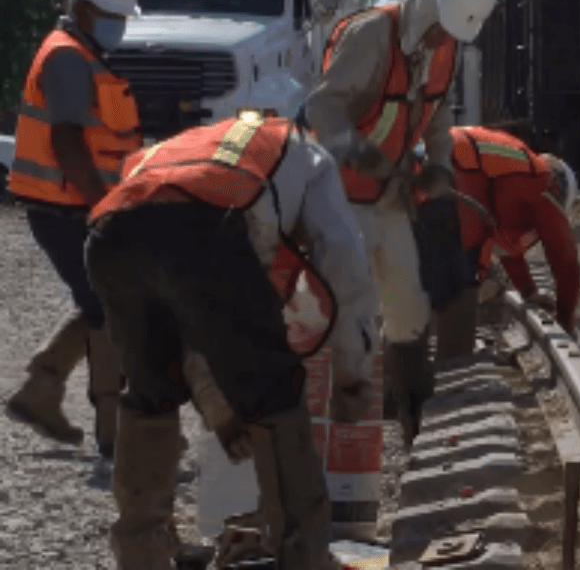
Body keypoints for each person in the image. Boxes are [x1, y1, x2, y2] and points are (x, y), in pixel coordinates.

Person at [84, 113, 380, 569]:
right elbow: (341, 256)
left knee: (150, 397)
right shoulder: (307, 153)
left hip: (109, 236)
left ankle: (139, 555)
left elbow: (193, 313)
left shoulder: (189, 146)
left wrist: (218, 404)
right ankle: (303, 554)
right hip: (203, 226)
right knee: (278, 396)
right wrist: (353, 375)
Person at [304, 0, 498, 444]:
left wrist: (438, 167)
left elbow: (436, 118)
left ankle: (411, 425)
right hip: (341, 196)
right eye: (440, 31)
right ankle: (329, 429)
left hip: (389, 199)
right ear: (430, 5)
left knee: (409, 313)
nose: (441, 42)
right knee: (345, 310)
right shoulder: (372, 36)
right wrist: (361, 155)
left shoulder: (448, 47)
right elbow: (322, 109)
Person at [5, 0, 142, 459]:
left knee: (97, 301)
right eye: (113, 15)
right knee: (109, 307)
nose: (120, 26)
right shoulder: (67, 58)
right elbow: (67, 144)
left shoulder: (83, 54)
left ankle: (40, 390)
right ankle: (113, 432)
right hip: (63, 207)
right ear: (83, 9)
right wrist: (101, 205)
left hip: (71, 204)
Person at [435, 126, 580, 356]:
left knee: (426, 253)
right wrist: (566, 319)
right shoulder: (543, 180)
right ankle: (452, 355)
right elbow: (566, 260)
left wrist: (528, 291)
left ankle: (415, 343)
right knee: (463, 266)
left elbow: (505, 246)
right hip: (462, 163)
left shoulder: (513, 179)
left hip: (444, 150)